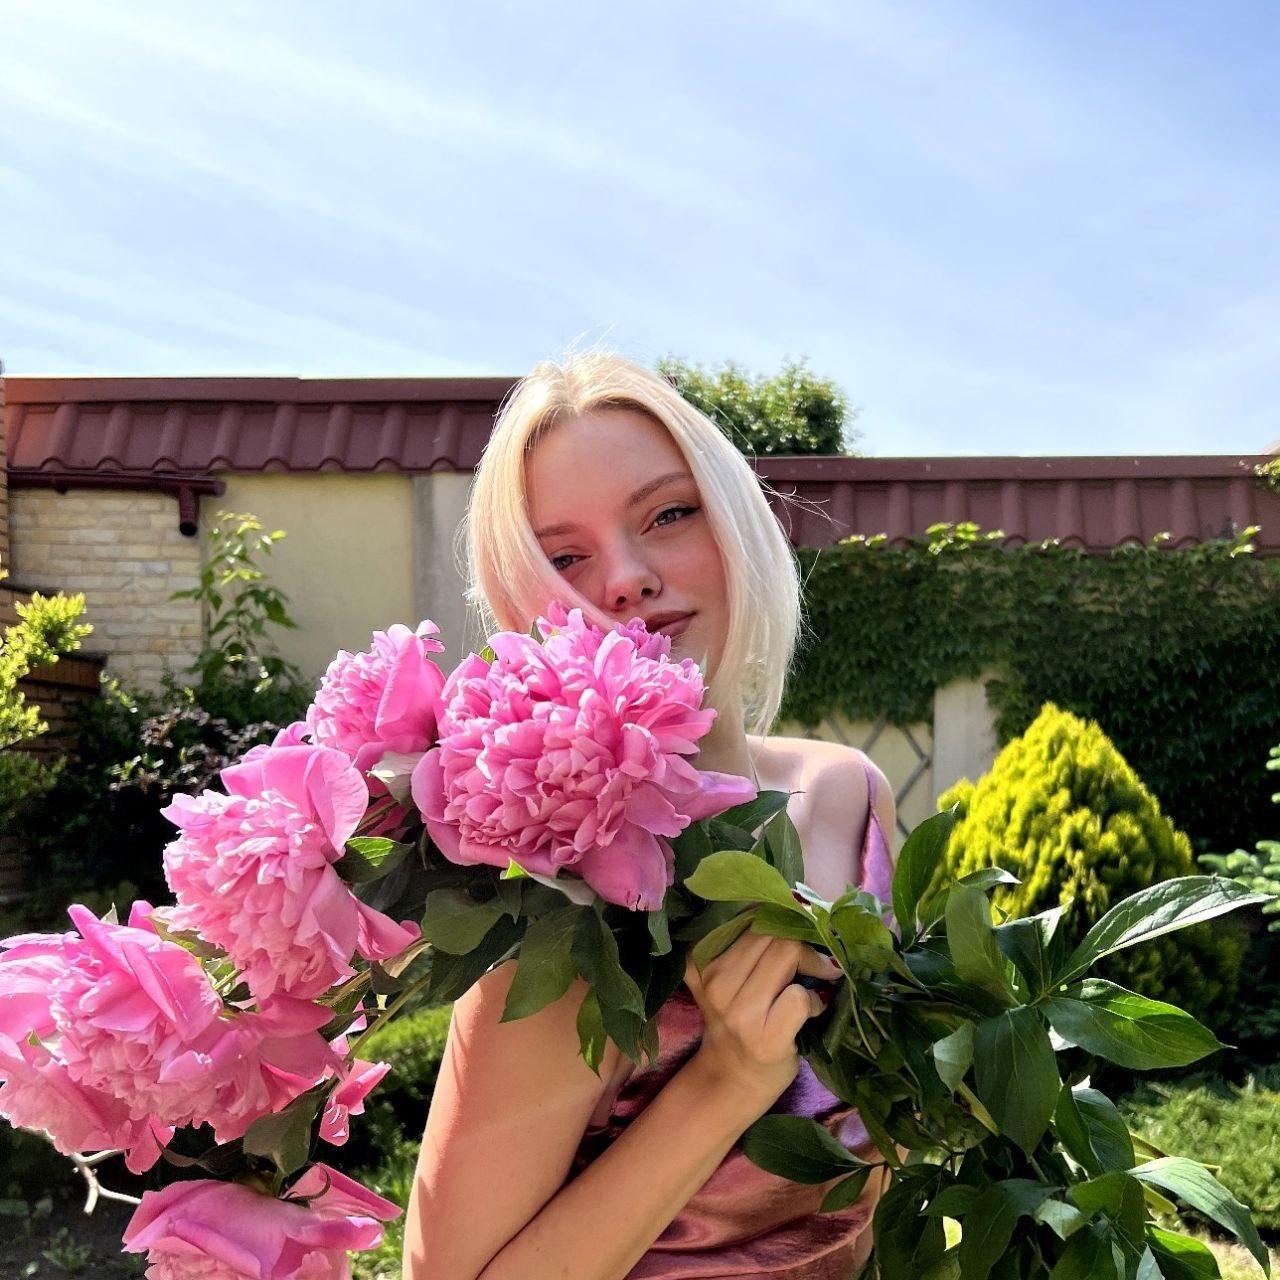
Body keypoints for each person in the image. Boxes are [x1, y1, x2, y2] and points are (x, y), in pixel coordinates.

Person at [402, 346, 899, 1280]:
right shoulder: (551, 908)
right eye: (565, 557)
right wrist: (724, 1082)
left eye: (669, 514)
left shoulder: (850, 797)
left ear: (738, 519)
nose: (626, 579)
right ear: (521, 602)